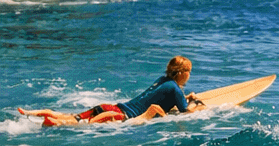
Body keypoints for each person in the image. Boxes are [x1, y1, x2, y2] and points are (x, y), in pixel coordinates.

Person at [20, 57, 200, 126]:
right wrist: (193, 101)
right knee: (74, 126)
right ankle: (53, 121)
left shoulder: (163, 81)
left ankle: (45, 113)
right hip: (118, 116)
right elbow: (186, 112)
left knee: (73, 118)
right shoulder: (174, 88)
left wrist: (184, 97)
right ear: (183, 73)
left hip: (110, 107)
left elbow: (164, 97)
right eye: (189, 72)